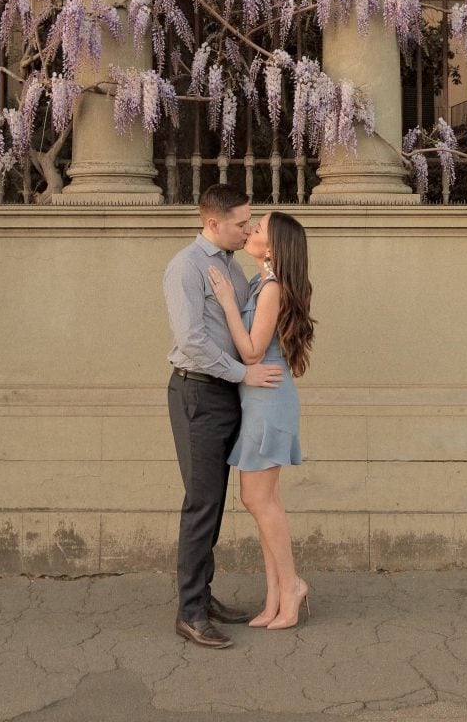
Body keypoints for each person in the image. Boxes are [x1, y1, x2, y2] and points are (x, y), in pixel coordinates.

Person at [164, 184, 285, 650]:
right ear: (212, 223)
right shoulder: (186, 268)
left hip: (226, 395)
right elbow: (192, 341)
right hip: (197, 392)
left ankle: (203, 597)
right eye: (240, 223)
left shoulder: (231, 267)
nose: (247, 229)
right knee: (201, 504)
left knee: (212, 505)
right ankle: (190, 612)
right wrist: (244, 374)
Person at [208, 210, 315, 630]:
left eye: (259, 227)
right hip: (258, 399)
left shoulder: (271, 288)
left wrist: (226, 304)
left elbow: (252, 352)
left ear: (272, 248)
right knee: (260, 501)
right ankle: (274, 596)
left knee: (259, 500)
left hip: (268, 400)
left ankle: (291, 587)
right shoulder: (260, 283)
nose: (250, 229)